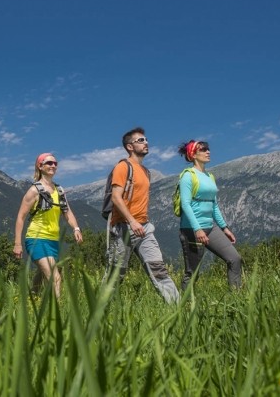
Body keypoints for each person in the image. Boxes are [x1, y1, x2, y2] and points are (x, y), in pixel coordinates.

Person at [104, 128, 180, 304]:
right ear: (130, 146)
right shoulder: (123, 167)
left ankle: (178, 309)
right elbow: (116, 197)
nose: (146, 142)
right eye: (140, 140)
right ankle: (100, 311)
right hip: (123, 228)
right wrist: (132, 221)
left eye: (146, 139)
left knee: (159, 269)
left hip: (144, 228)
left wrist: (140, 223)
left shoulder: (146, 172)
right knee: (115, 275)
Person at [13, 153, 83, 297]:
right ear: (40, 166)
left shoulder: (60, 191)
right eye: (49, 163)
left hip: (53, 241)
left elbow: (67, 212)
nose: (53, 166)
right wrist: (17, 244)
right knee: (55, 277)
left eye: (55, 163)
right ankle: (56, 314)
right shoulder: (34, 191)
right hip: (36, 239)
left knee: (42, 273)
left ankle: (32, 297)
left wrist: (76, 228)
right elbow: (20, 217)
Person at [176, 140, 242, 290]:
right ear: (193, 155)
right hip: (191, 230)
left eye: (208, 149)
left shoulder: (209, 176)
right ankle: (183, 307)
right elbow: (185, 204)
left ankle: (237, 298)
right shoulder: (188, 176)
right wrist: (197, 229)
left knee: (235, 259)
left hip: (211, 228)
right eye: (203, 149)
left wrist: (224, 228)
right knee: (193, 272)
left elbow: (214, 205)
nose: (208, 152)